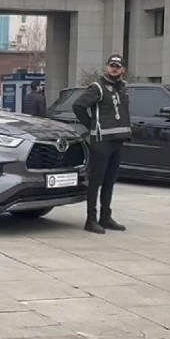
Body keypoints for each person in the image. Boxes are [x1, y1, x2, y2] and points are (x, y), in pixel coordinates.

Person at [73, 55, 131, 233]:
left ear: (123, 70)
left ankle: (105, 217)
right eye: (111, 65)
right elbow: (78, 106)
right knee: (96, 181)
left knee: (110, 181)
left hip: (117, 140)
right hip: (101, 141)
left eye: (117, 66)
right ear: (107, 67)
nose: (114, 69)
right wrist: (92, 125)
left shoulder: (123, 88)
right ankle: (91, 220)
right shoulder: (97, 87)